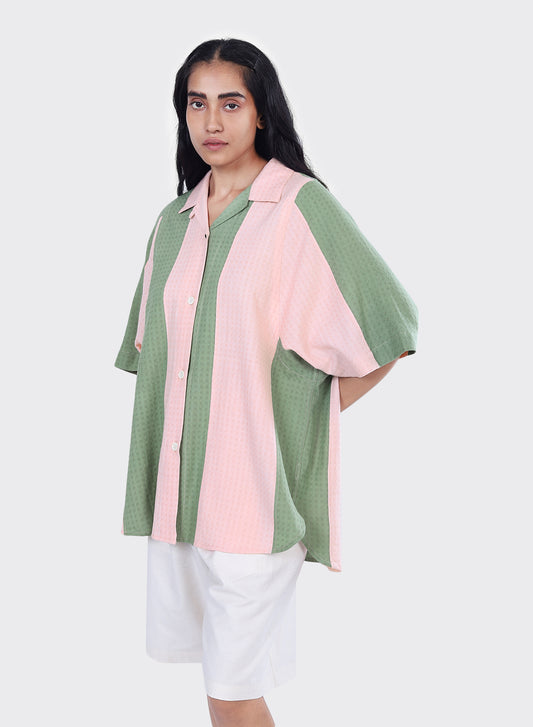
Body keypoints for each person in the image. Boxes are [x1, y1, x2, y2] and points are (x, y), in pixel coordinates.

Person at [114, 37, 418, 727]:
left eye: (231, 103)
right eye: (196, 104)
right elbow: (157, 358)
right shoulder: (173, 221)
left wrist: (300, 419)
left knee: (232, 694)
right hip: (178, 504)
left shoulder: (300, 207)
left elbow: (390, 329)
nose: (211, 122)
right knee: (223, 694)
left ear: (261, 112)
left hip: (255, 502)